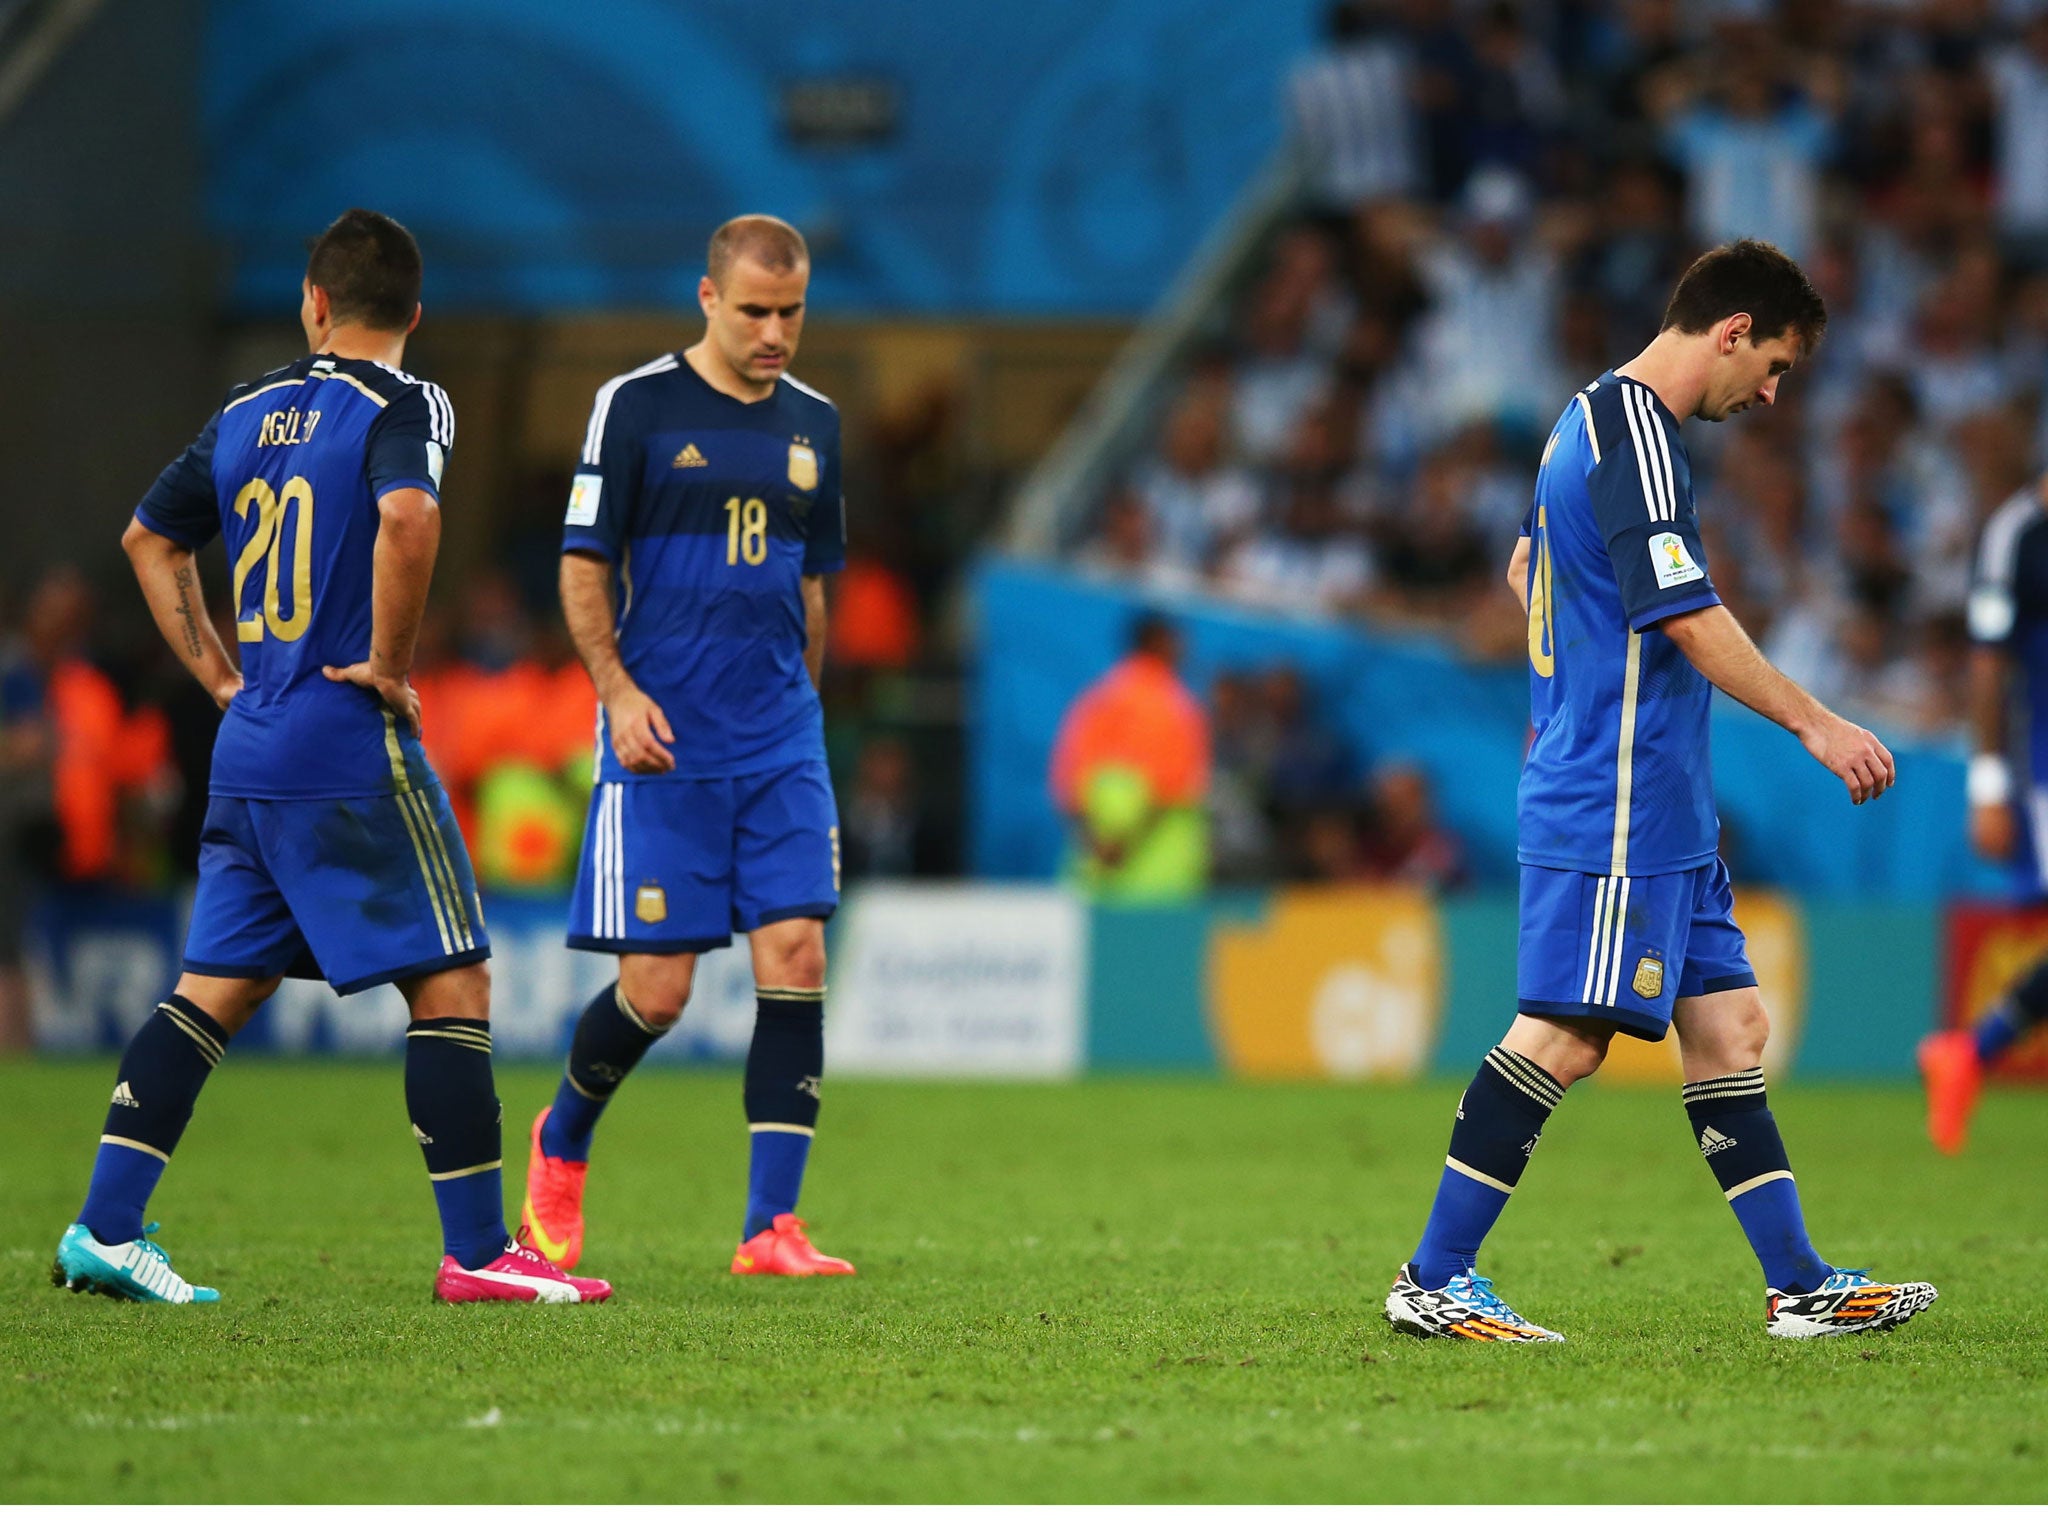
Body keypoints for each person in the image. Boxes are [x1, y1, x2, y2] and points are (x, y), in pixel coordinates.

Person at [49, 209, 610, 1306]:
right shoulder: (408, 400)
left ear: (314, 302)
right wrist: (392, 666)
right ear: (414, 313)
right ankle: (480, 1251)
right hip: (345, 735)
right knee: (455, 974)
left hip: (250, 740)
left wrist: (219, 677)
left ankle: (106, 1229)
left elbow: (147, 539)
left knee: (217, 986)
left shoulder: (246, 409)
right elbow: (408, 518)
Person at [1383, 239, 1937, 1343]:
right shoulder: (1632, 433)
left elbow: (1528, 570)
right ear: (1729, 330)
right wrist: (1814, 723)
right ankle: (1432, 1277)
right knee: (1565, 1036)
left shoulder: (1585, 424)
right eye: (1772, 366)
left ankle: (1798, 1286)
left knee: (1728, 1028)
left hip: (1663, 801)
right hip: (1614, 793)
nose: (1770, 395)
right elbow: (1683, 612)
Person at [526, 214, 854, 1279]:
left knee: (796, 957)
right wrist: (616, 692)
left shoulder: (816, 426)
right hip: (663, 738)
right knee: (658, 992)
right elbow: (582, 566)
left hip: (777, 740)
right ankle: (560, 1140)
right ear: (707, 298)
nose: (773, 333)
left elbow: (810, 584)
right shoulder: (634, 407)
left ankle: (770, 1227)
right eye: (754, 311)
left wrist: (801, 710)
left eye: (790, 313)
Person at [1920, 470, 2048, 1152]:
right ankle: (1972, 1052)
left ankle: (1969, 1054)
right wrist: (1990, 783)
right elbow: (1989, 665)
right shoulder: (2016, 536)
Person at [1047, 613, 1212, 901]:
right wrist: (1125, 845)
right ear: (1159, 642)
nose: (1185, 649)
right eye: (1177, 641)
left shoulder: (1098, 698)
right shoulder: (1176, 706)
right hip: (1160, 870)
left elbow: (1066, 780)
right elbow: (1175, 786)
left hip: (1095, 868)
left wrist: (1095, 843)